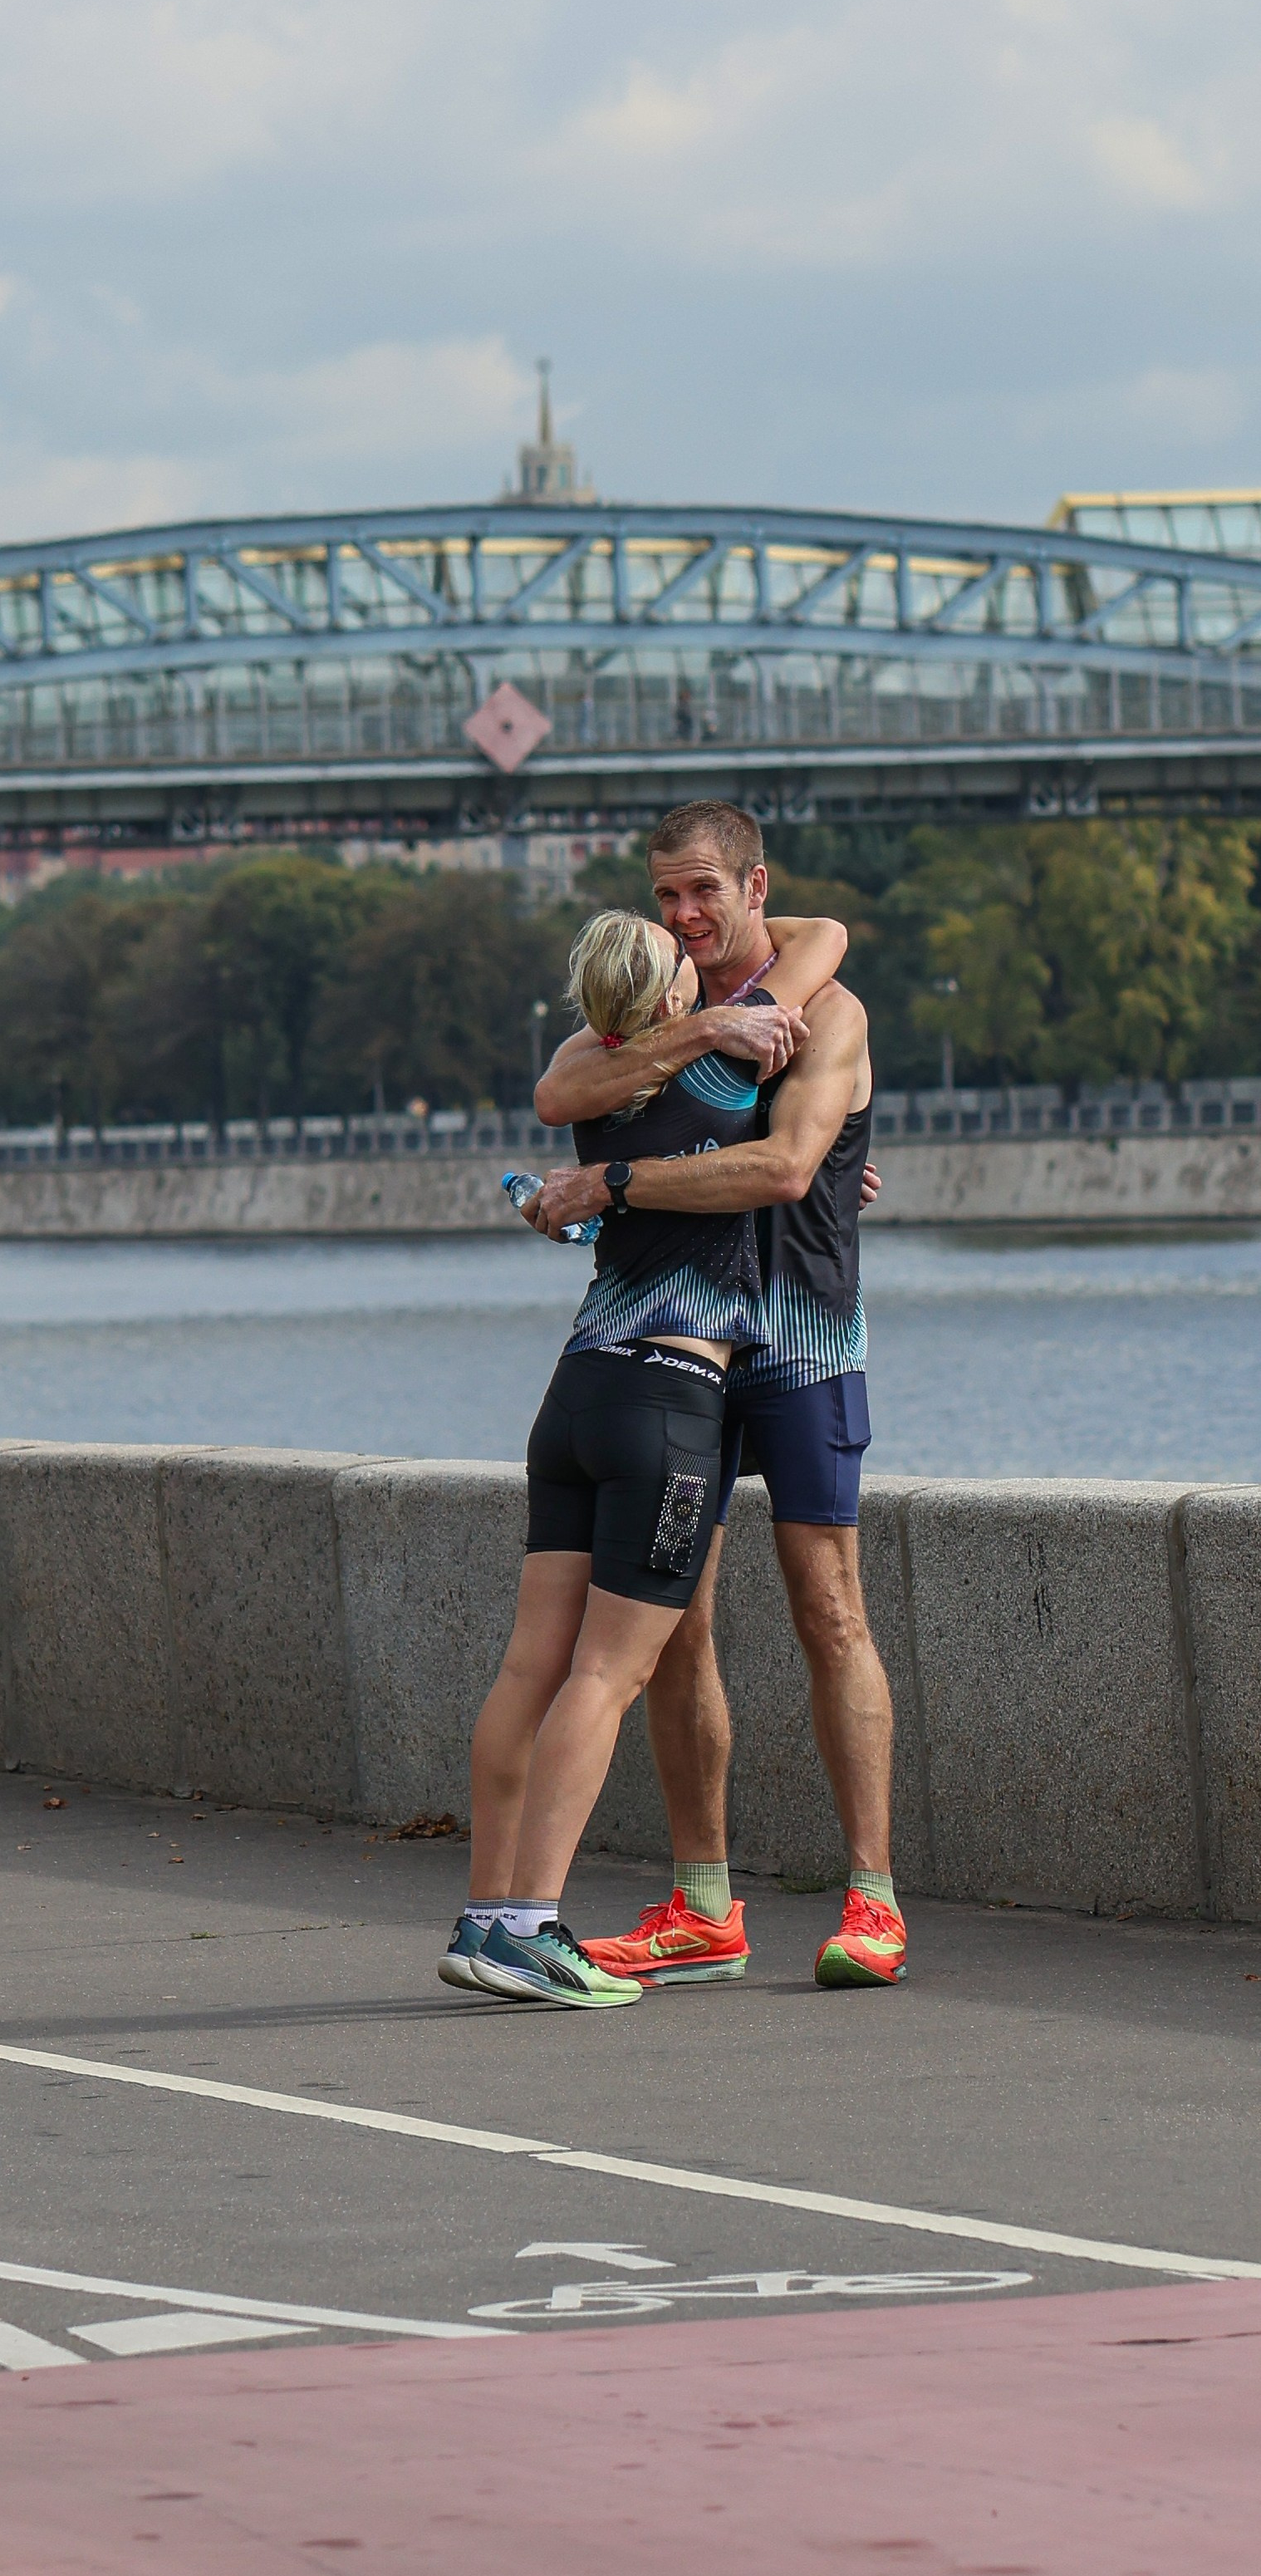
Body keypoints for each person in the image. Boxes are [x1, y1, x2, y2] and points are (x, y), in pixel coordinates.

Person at [529, 799, 905, 1991]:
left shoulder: (826, 1011)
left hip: (798, 1337)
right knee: (671, 1618)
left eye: (704, 892)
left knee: (825, 1605)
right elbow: (562, 1081)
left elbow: (784, 1167)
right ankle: (701, 1905)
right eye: (664, 898)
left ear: (754, 889)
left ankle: (871, 1899)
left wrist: (611, 1180)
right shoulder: (665, 1012)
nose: (683, 918)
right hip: (684, 1349)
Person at [445, 896, 846, 2007]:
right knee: (606, 1672)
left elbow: (576, 1080)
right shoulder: (721, 1080)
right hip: (667, 1401)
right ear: (676, 994)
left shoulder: (594, 1075)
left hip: (573, 1392)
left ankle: (482, 1915)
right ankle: (532, 1924)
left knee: (530, 1663)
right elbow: (818, 960)